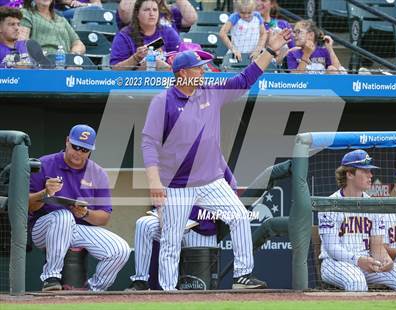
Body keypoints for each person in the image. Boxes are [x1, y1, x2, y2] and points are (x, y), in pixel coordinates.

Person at [141, 27, 292, 290]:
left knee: (240, 217)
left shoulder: (211, 90)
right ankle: (167, 293)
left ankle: (242, 276)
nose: (203, 70)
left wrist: (270, 50)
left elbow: (245, 79)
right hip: (177, 186)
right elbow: (149, 143)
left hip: (211, 181)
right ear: (182, 74)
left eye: (203, 67)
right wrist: (154, 181)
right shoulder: (162, 101)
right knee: (171, 240)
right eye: (198, 68)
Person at [28, 124, 131, 292]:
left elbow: (104, 217)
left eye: (84, 149)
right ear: (67, 141)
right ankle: (51, 277)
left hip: (76, 228)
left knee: (120, 250)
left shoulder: (97, 173)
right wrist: (45, 193)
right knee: (63, 216)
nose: (79, 152)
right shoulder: (45, 164)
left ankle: (92, 290)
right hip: (43, 228)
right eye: (75, 147)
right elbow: (26, 205)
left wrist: (86, 213)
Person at [318, 149, 396, 291]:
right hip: (335, 263)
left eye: (370, 171)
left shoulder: (373, 204)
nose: (370, 175)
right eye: (365, 171)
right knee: (357, 283)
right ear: (349, 174)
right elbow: (332, 248)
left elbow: (377, 246)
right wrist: (358, 260)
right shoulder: (331, 204)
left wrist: (386, 260)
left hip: (367, 261)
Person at [128, 167, 236, 290]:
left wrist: (210, 215)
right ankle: (140, 281)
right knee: (144, 224)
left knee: (201, 283)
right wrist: (161, 212)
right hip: (171, 220)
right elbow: (159, 193)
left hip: (200, 227)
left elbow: (231, 194)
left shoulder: (214, 161)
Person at [110, 0, 180, 70]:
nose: (152, 13)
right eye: (147, 10)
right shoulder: (124, 35)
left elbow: (181, 58)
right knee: (153, 63)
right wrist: (136, 57)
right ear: (137, 13)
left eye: (155, 10)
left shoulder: (168, 32)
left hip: (167, 78)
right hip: (133, 78)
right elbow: (115, 69)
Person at [19, 0, 85, 55]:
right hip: (41, 63)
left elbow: (78, 44)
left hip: (64, 63)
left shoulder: (61, 19)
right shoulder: (27, 13)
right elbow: (22, 42)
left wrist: (72, 57)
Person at [118, 0, 197, 32]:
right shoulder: (134, 10)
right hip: (140, 57)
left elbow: (191, 19)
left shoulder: (171, 11)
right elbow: (125, 11)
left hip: (170, 57)